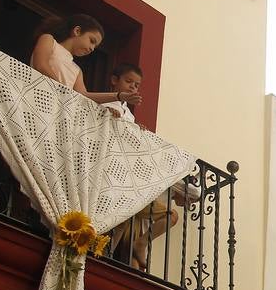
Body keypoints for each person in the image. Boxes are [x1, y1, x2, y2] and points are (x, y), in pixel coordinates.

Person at [100, 62, 185, 270]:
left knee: (169, 216)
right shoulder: (104, 103)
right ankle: (103, 256)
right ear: (114, 80)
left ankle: (139, 242)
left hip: (131, 180)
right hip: (112, 174)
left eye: (136, 85)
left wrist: (137, 130)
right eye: (129, 82)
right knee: (118, 219)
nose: (132, 88)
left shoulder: (129, 115)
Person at [29, 14, 142, 108]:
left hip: (56, 108)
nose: (92, 48)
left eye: (95, 46)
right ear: (77, 31)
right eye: (92, 41)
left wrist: (119, 96)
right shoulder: (49, 40)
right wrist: (64, 90)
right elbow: (41, 65)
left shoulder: (77, 70)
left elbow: (84, 96)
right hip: (36, 97)